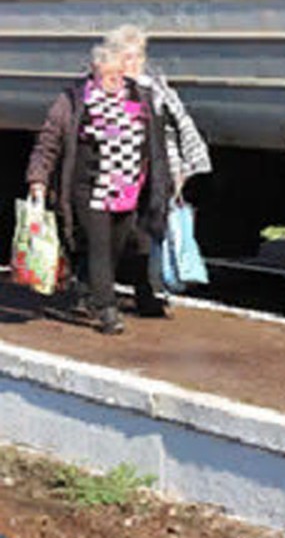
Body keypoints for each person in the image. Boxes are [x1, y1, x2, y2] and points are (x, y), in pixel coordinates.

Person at [25, 41, 170, 335]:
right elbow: (49, 141)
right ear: (94, 73)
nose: (114, 82)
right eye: (107, 76)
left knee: (117, 244)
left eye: (118, 74)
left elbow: (156, 145)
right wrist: (38, 179)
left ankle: (91, 288)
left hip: (127, 189)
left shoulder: (140, 97)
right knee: (99, 245)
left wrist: (162, 180)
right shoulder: (74, 100)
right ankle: (107, 309)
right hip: (88, 187)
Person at [106, 23, 212, 315]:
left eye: (138, 56)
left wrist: (186, 168)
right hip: (116, 173)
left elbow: (182, 125)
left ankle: (145, 293)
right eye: (128, 57)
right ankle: (92, 286)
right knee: (113, 233)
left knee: (147, 232)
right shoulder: (104, 89)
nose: (134, 63)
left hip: (156, 173)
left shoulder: (157, 89)